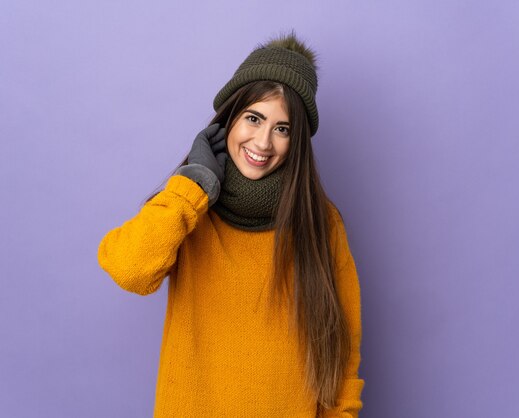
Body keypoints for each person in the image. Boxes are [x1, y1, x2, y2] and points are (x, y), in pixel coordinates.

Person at [97, 30, 364, 417]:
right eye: (253, 118)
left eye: (282, 128)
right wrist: (193, 186)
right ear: (229, 120)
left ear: (297, 141)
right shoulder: (187, 207)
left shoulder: (320, 221)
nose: (263, 142)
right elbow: (129, 269)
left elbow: (343, 347)